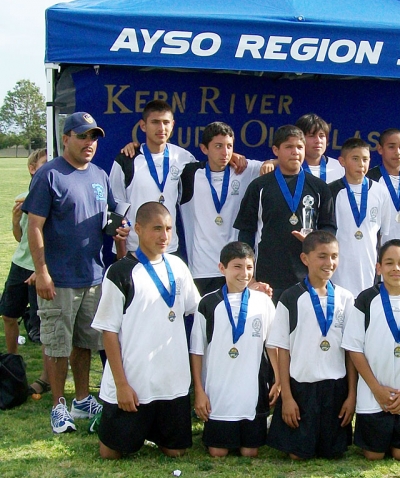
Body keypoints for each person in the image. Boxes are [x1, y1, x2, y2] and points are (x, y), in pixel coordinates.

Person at [22, 112, 128, 433]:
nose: (89, 143)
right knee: (57, 343)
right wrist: (41, 272)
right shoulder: (49, 175)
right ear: (65, 138)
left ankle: (81, 400)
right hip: (59, 278)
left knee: (83, 342)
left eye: (93, 137)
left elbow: (109, 216)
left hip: (93, 276)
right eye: (82, 136)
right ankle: (58, 405)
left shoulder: (98, 174)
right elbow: (35, 226)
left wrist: (118, 230)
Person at [92, 202, 200, 459]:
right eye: (157, 229)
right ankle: (108, 420)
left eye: (169, 229)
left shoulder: (178, 267)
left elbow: (200, 308)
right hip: (135, 383)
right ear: (137, 229)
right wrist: (121, 385)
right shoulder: (120, 272)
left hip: (170, 383)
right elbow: (108, 331)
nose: (164, 236)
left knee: (177, 452)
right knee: (112, 454)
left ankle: (155, 430)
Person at [342, 240, 400, 461]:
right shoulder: (366, 299)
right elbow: (354, 349)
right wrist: (376, 389)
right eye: (389, 263)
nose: (396, 268)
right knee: (373, 455)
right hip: (373, 394)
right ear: (378, 268)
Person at [266, 231, 356, 459]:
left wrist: (351, 395)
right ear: (305, 259)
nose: (330, 263)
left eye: (334, 256)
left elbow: (351, 352)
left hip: (335, 388)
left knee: (333, 454)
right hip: (302, 388)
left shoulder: (346, 298)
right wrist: (287, 397)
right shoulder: (290, 297)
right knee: (299, 455)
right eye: (322, 256)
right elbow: (282, 349)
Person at [190, 241, 278, 457]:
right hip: (219, 393)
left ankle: (258, 423)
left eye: (249, 267)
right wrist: (199, 392)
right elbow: (197, 350)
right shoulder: (208, 304)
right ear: (222, 268)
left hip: (252, 393)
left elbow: (273, 344)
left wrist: (278, 379)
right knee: (217, 452)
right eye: (237, 267)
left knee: (250, 452)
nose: (244, 273)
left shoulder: (264, 302)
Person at [235, 125, 336, 303]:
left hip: (307, 275)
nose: (295, 152)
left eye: (300, 147)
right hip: (268, 275)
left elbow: (329, 228)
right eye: (289, 147)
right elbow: (246, 232)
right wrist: (249, 276)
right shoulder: (259, 186)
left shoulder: (320, 188)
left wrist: (314, 240)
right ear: (276, 150)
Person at [180, 122, 265, 295]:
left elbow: (284, 162)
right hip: (202, 268)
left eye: (229, 146)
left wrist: (270, 163)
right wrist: (135, 147)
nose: (225, 152)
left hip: (236, 266)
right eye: (218, 146)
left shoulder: (245, 169)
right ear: (204, 149)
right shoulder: (191, 173)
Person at [109, 100, 197, 254]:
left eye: (166, 122)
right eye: (155, 122)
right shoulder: (126, 159)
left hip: (168, 247)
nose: (161, 128)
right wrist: (121, 250)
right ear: (143, 126)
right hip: (135, 248)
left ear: (172, 125)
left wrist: (232, 157)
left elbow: (212, 169)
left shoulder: (184, 157)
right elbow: (114, 204)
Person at [1, 149, 50, 395]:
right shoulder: (24, 198)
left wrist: (42, 269)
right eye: (43, 164)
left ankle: (45, 377)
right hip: (20, 264)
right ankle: (11, 365)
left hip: (40, 268)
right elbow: (22, 239)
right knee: (9, 315)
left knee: (41, 327)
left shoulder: (51, 195)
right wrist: (14, 221)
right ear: (32, 168)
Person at [330, 137, 390, 296]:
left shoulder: (381, 192)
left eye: (365, 159)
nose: (361, 164)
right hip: (339, 266)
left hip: (368, 265)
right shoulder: (331, 191)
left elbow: (382, 232)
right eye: (355, 159)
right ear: (342, 161)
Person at [367, 128, 400, 245]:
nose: (397, 152)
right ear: (380, 149)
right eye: (391, 147)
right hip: (378, 253)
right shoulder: (369, 180)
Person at [295, 113, 344, 183]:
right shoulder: (288, 166)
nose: (318, 141)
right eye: (312, 136)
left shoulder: (340, 167)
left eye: (321, 136)